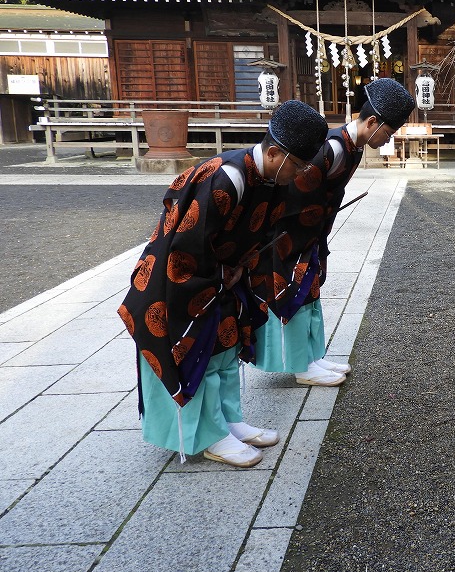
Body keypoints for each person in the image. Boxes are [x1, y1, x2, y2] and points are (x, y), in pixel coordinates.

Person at [118, 100, 328, 467]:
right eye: (298, 165)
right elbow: (185, 247)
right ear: (276, 153)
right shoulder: (225, 178)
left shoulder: (267, 178)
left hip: (219, 278)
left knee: (226, 347)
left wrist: (239, 271)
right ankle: (208, 435)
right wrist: (222, 275)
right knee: (197, 352)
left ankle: (229, 420)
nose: (299, 175)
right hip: (177, 283)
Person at [252, 77, 417, 386]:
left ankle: (312, 356)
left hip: (309, 235)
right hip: (289, 237)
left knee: (310, 292)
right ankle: (301, 366)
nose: (388, 138)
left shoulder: (352, 147)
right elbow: (291, 196)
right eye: (389, 131)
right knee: (294, 294)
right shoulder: (331, 148)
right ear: (372, 121)